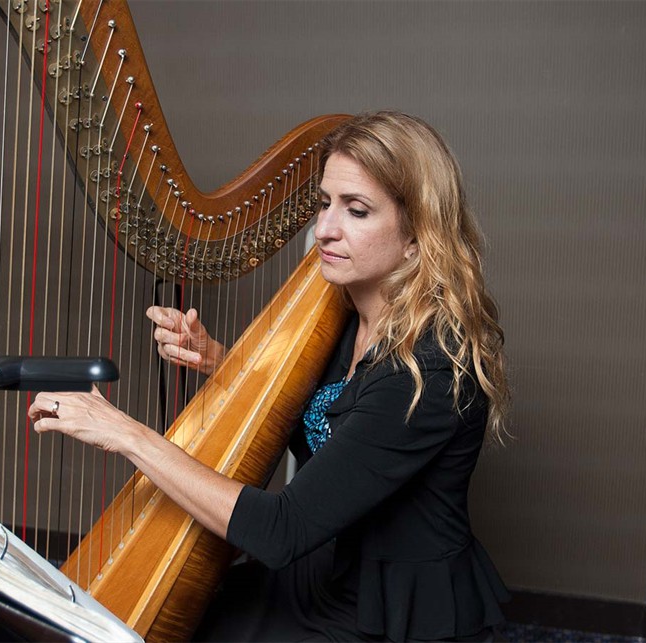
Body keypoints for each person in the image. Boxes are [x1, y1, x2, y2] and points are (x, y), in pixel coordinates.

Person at [27, 111, 511, 642]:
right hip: (324, 574)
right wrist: (220, 360)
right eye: (325, 203)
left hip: (390, 611)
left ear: (418, 235)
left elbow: (282, 529)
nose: (325, 228)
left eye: (357, 210)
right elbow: (329, 424)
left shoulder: (432, 368)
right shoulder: (345, 316)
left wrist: (124, 433)